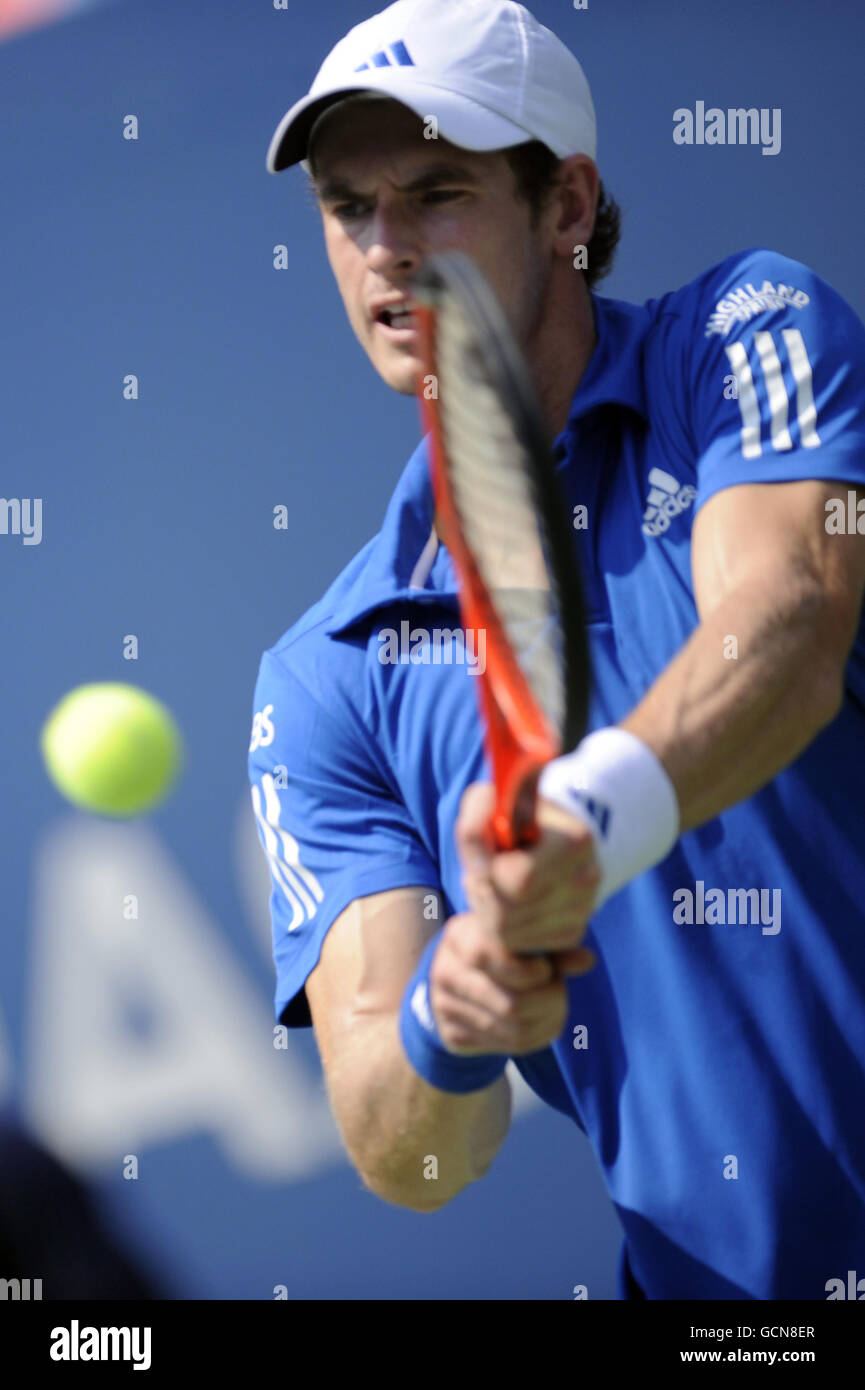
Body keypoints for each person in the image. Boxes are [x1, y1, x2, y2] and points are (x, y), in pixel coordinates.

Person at [249, 0, 865, 1299]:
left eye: (434, 192)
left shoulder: (747, 333)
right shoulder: (327, 676)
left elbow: (792, 622)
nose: (385, 249)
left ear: (567, 207)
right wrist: (451, 1014)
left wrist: (585, 819)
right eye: (346, 204)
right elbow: (402, 1153)